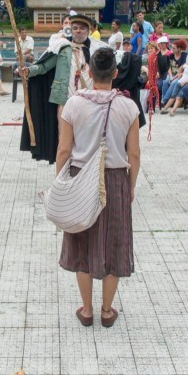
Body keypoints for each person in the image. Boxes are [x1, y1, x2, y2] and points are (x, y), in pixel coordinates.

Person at [56, 48, 139, 328]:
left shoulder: (74, 104)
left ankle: (87, 310)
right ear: (115, 73)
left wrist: (61, 182)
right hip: (115, 179)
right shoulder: (128, 107)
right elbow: (135, 154)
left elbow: (64, 149)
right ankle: (107, 310)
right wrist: (131, 185)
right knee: (115, 243)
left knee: (82, 242)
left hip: (81, 178)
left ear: (89, 73)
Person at [19, 15, 110, 163]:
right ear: (70, 30)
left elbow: (111, 68)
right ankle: (63, 177)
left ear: (88, 30)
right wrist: (29, 71)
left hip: (90, 102)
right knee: (64, 141)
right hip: (65, 101)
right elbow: (44, 66)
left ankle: (85, 173)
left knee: (88, 139)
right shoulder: (62, 48)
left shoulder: (97, 49)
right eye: (75, 28)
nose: (78, 31)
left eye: (82, 28)